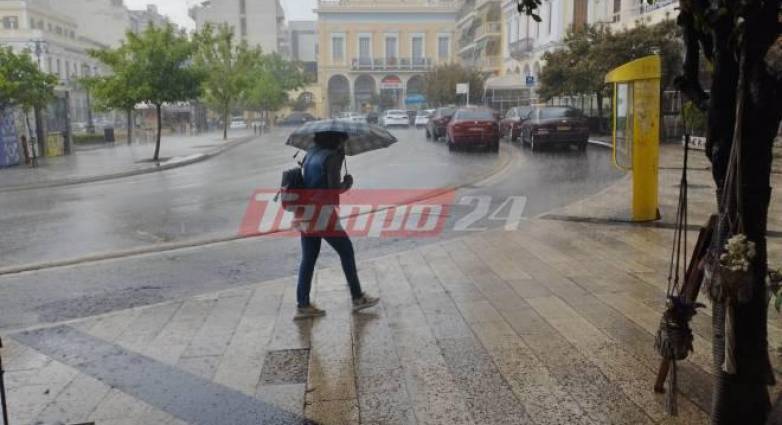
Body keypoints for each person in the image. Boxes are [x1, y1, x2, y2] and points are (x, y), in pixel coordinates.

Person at [294, 131, 379, 319]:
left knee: (308, 258)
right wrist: (347, 183)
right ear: (337, 139)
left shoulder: (311, 153)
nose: (344, 143)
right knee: (346, 251)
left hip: (305, 211)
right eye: (343, 140)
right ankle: (358, 297)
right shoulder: (332, 157)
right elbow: (333, 189)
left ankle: (303, 305)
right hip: (322, 213)